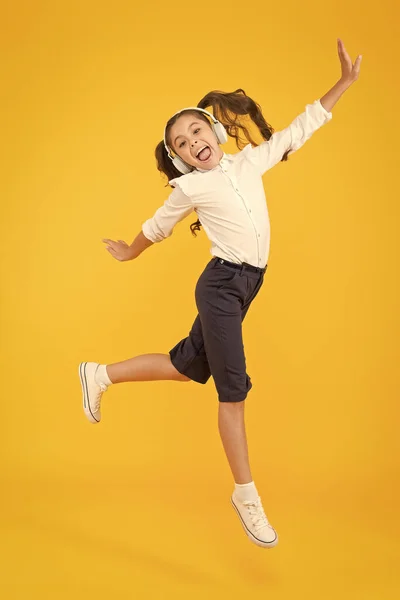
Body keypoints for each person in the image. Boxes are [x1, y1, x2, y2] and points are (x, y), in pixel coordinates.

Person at [79, 39, 362, 549]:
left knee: (186, 365)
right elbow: (157, 226)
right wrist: (130, 251)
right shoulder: (189, 189)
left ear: (214, 130)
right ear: (181, 160)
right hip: (222, 287)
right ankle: (246, 494)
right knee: (233, 392)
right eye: (181, 145)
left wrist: (342, 84)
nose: (192, 143)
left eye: (196, 131)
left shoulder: (250, 162)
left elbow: (302, 127)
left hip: (246, 285)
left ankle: (99, 375)